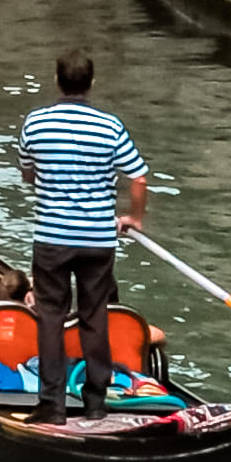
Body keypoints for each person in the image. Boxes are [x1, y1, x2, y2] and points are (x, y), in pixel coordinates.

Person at [17, 47, 148, 426]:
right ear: (91, 83)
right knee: (95, 317)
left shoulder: (36, 123)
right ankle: (95, 404)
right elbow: (138, 177)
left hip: (52, 240)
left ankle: (52, 406)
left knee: (51, 318)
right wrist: (134, 219)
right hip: (97, 240)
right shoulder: (111, 127)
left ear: (58, 81)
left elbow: (28, 173)